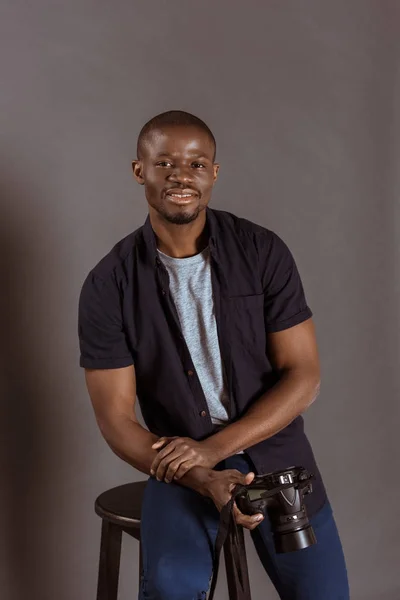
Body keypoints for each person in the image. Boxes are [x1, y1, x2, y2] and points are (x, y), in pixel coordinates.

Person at [78, 110, 349, 599]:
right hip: (182, 466)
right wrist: (201, 473)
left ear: (214, 173)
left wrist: (216, 449)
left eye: (196, 164)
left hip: (275, 451)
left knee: (324, 593)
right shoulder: (109, 284)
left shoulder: (263, 252)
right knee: (170, 588)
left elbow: (304, 376)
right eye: (164, 163)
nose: (181, 175)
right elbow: (116, 420)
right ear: (140, 170)